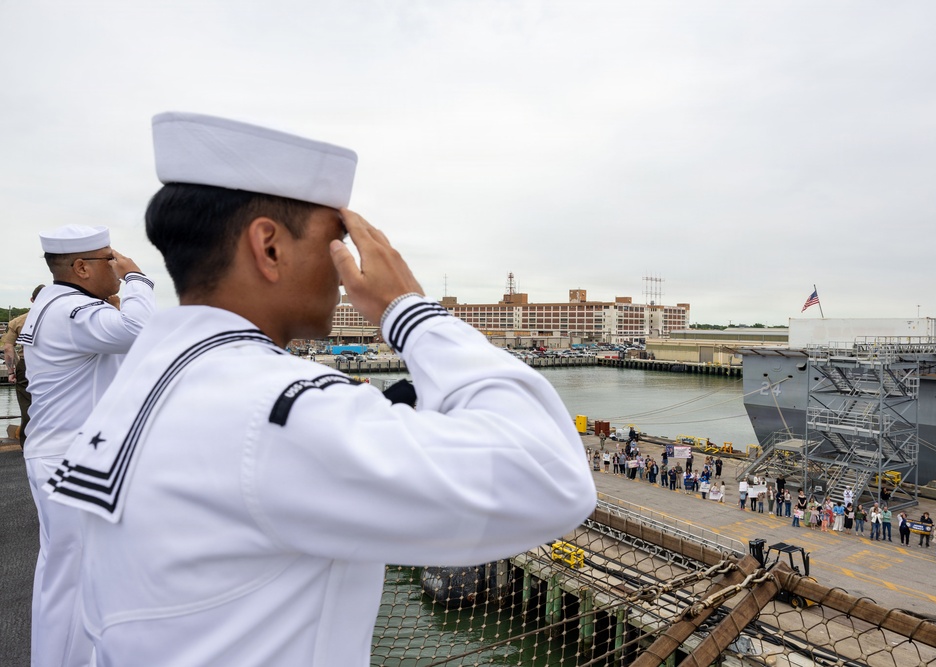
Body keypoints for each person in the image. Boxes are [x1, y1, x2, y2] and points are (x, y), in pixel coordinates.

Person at [46, 112, 597, 666]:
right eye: (338, 244)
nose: (346, 271)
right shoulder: (269, 406)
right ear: (269, 247)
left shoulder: (144, 383)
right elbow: (551, 477)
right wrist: (412, 313)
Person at [21, 224, 155, 667]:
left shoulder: (54, 304)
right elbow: (139, 327)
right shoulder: (71, 312)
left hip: (63, 453)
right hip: (71, 458)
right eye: (108, 259)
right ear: (81, 267)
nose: (116, 265)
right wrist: (137, 279)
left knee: (71, 576)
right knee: (74, 580)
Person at [1, 284, 46, 447]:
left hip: (27, 364)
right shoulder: (60, 318)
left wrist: (11, 371)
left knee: (27, 406)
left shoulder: (18, 321)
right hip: (53, 364)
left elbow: (7, 347)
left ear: (32, 300)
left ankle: (28, 445)